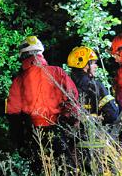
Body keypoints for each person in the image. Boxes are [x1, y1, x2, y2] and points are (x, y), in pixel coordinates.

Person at [6, 35, 79, 167]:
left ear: (23, 57)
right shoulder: (57, 72)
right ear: (41, 53)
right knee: (65, 171)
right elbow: (72, 100)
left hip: (34, 135)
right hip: (58, 129)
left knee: (43, 173)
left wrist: (19, 142)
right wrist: (70, 124)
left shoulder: (19, 81)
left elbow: (13, 113)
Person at [67, 46, 121, 127]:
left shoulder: (66, 86)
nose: (96, 66)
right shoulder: (96, 86)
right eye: (93, 63)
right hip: (94, 134)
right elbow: (113, 114)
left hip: (72, 136)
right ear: (85, 65)